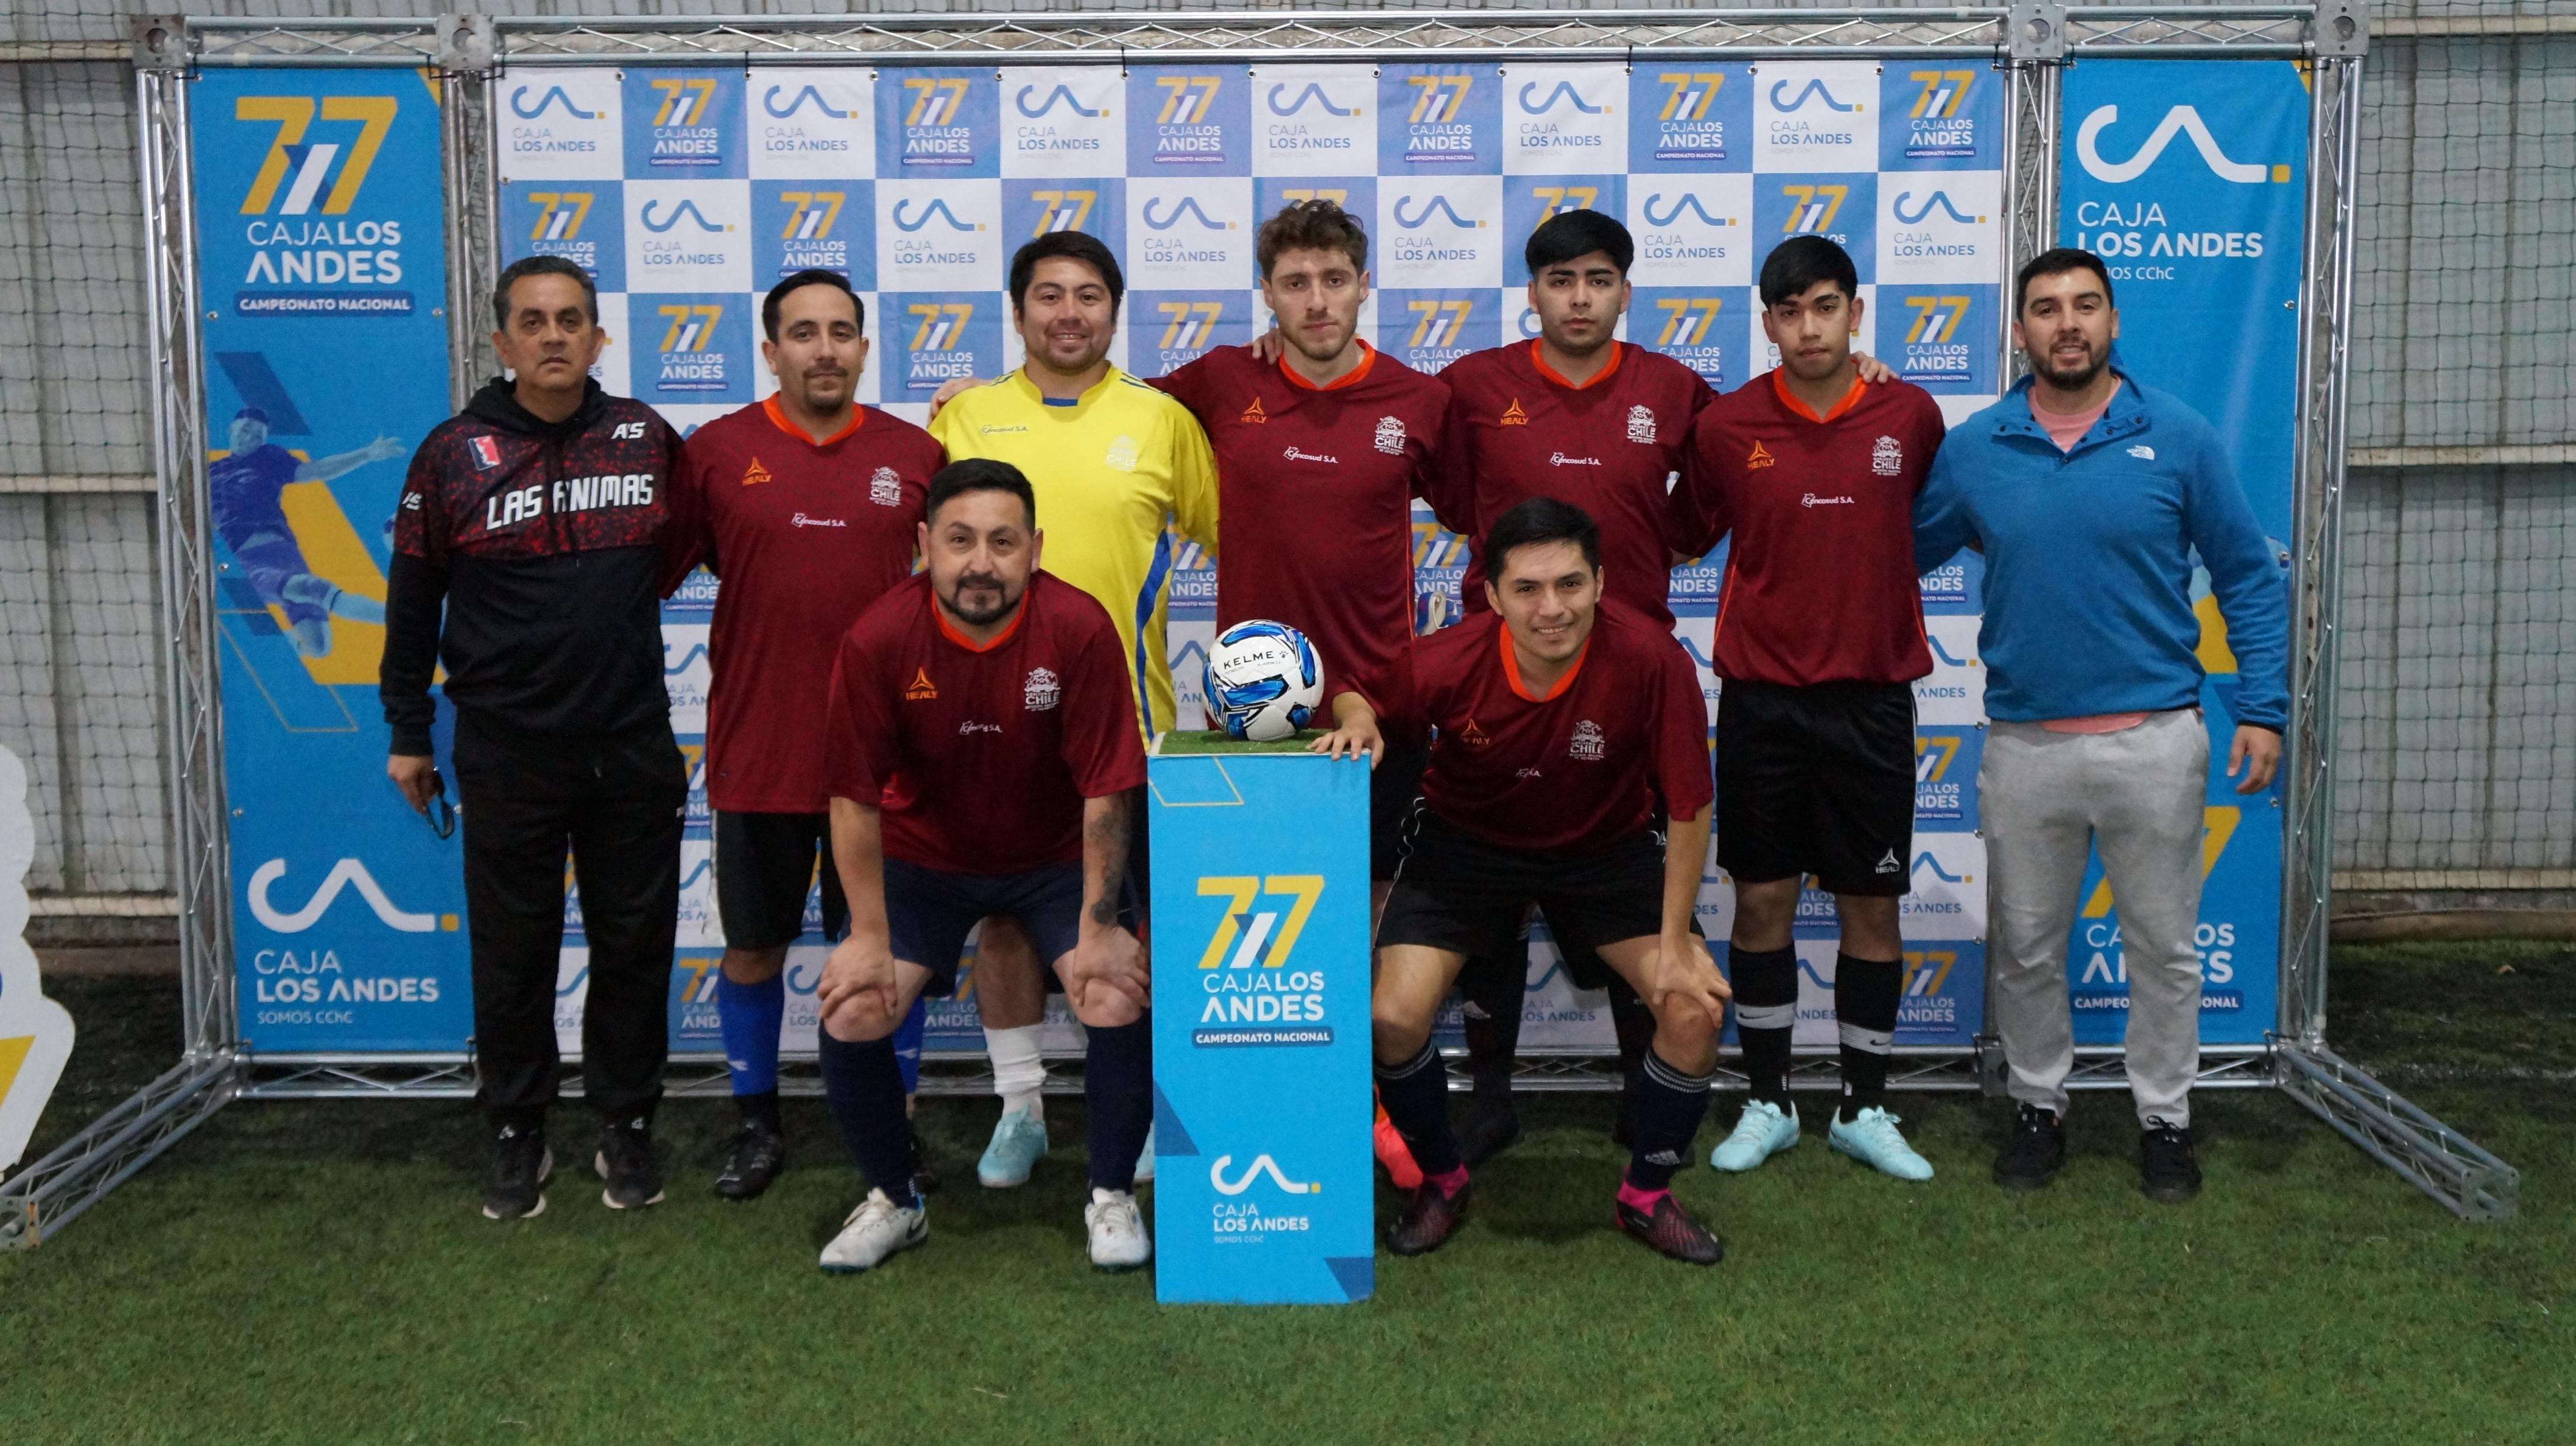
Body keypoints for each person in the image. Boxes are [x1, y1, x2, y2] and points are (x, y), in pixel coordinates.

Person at [1913, 247, 2287, 1204]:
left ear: (2113, 321)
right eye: (2046, 308)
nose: (2067, 323)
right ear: (2020, 331)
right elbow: (1894, 550)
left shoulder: (2179, 434)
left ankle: (2164, 1117)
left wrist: (2261, 707)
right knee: (2026, 946)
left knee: (2163, 948)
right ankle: (2037, 1105)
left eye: (2085, 305)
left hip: (2154, 741)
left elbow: (2247, 574)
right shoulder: (1977, 445)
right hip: (2024, 745)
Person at [1316, 497, 1733, 1265]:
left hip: (1605, 851)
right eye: (1528, 589)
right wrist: (1360, 718)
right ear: (1493, 595)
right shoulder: (1449, 658)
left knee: (1695, 1008)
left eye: (1570, 583)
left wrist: (1676, 942)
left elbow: (1689, 804)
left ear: (1601, 582)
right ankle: (1442, 1180)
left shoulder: (1652, 660)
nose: (1552, 608)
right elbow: (1353, 687)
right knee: (1391, 1017)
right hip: (1466, 848)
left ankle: (1646, 1196)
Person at [381, 254, 691, 1220]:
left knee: (634, 943)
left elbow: (695, 548)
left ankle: (626, 1119)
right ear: (502, 341)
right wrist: (408, 730)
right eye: (533, 320)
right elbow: (412, 599)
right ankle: (517, 1126)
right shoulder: (452, 453)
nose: (553, 335)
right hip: (508, 747)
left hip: (630, 740)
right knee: (513, 950)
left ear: (598, 337)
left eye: (570, 320)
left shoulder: (646, 438)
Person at [926, 231, 1218, 1188]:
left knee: (1138, 927)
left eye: (1088, 295)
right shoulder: (964, 417)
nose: (1068, 313)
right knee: (1006, 919)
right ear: (1017, 312)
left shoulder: (1162, 420)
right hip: (988, 725)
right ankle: (1020, 1107)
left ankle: (1143, 1108)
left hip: (1130, 724)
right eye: (1047, 295)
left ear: (1113, 310)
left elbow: (1239, 537)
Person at [812, 458, 1154, 1274]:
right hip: (925, 862)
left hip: (1053, 858)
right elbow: (852, 798)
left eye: (1003, 542)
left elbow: (1107, 787)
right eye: (960, 540)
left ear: (1036, 548)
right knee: (854, 1005)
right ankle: (895, 1200)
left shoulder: (1077, 626)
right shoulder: (879, 636)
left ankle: (1111, 1194)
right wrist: (867, 935)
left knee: (1113, 988)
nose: (980, 563)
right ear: (924, 543)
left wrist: (1100, 926)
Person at [1669, 235, 1949, 1182]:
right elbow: (1677, 529)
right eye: (1788, 312)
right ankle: (1770, 1100)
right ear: (1767, 323)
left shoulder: (1910, 413)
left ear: (1854, 313)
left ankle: (1863, 1107)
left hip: (1871, 705)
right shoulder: (1726, 425)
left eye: (1825, 306)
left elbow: (1932, 519)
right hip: (1762, 704)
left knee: (1871, 906)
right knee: (1760, 901)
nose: (1808, 327)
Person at [669, 269, 946, 1202]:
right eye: (802, 332)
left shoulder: (916, 453)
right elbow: (664, 568)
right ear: (770, 349)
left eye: (839, 332)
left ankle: (894, 1121)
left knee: (888, 948)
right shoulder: (715, 452)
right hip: (760, 751)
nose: (822, 349)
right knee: (751, 947)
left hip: (885, 762)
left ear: (864, 348)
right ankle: (756, 1121)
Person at [210, 407, 403, 658]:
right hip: (249, 563)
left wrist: (366, 454)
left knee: (319, 648)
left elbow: (316, 470)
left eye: (258, 437)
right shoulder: (209, 474)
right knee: (314, 588)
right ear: (231, 429)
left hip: (286, 554)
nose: (249, 439)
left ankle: (289, 636)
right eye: (245, 430)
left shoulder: (268, 458)